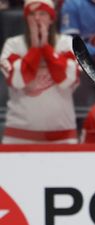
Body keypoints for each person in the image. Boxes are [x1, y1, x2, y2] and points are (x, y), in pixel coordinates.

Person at [1, 0, 79, 144]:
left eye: (42, 13)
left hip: (62, 136)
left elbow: (66, 79)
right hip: (17, 135)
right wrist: (36, 48)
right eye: (31, 14)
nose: (37, 18)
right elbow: (17, 80)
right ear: (25, 18)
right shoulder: (12, 45)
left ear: (51, 18)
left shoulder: (68, 43)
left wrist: (46, 47)